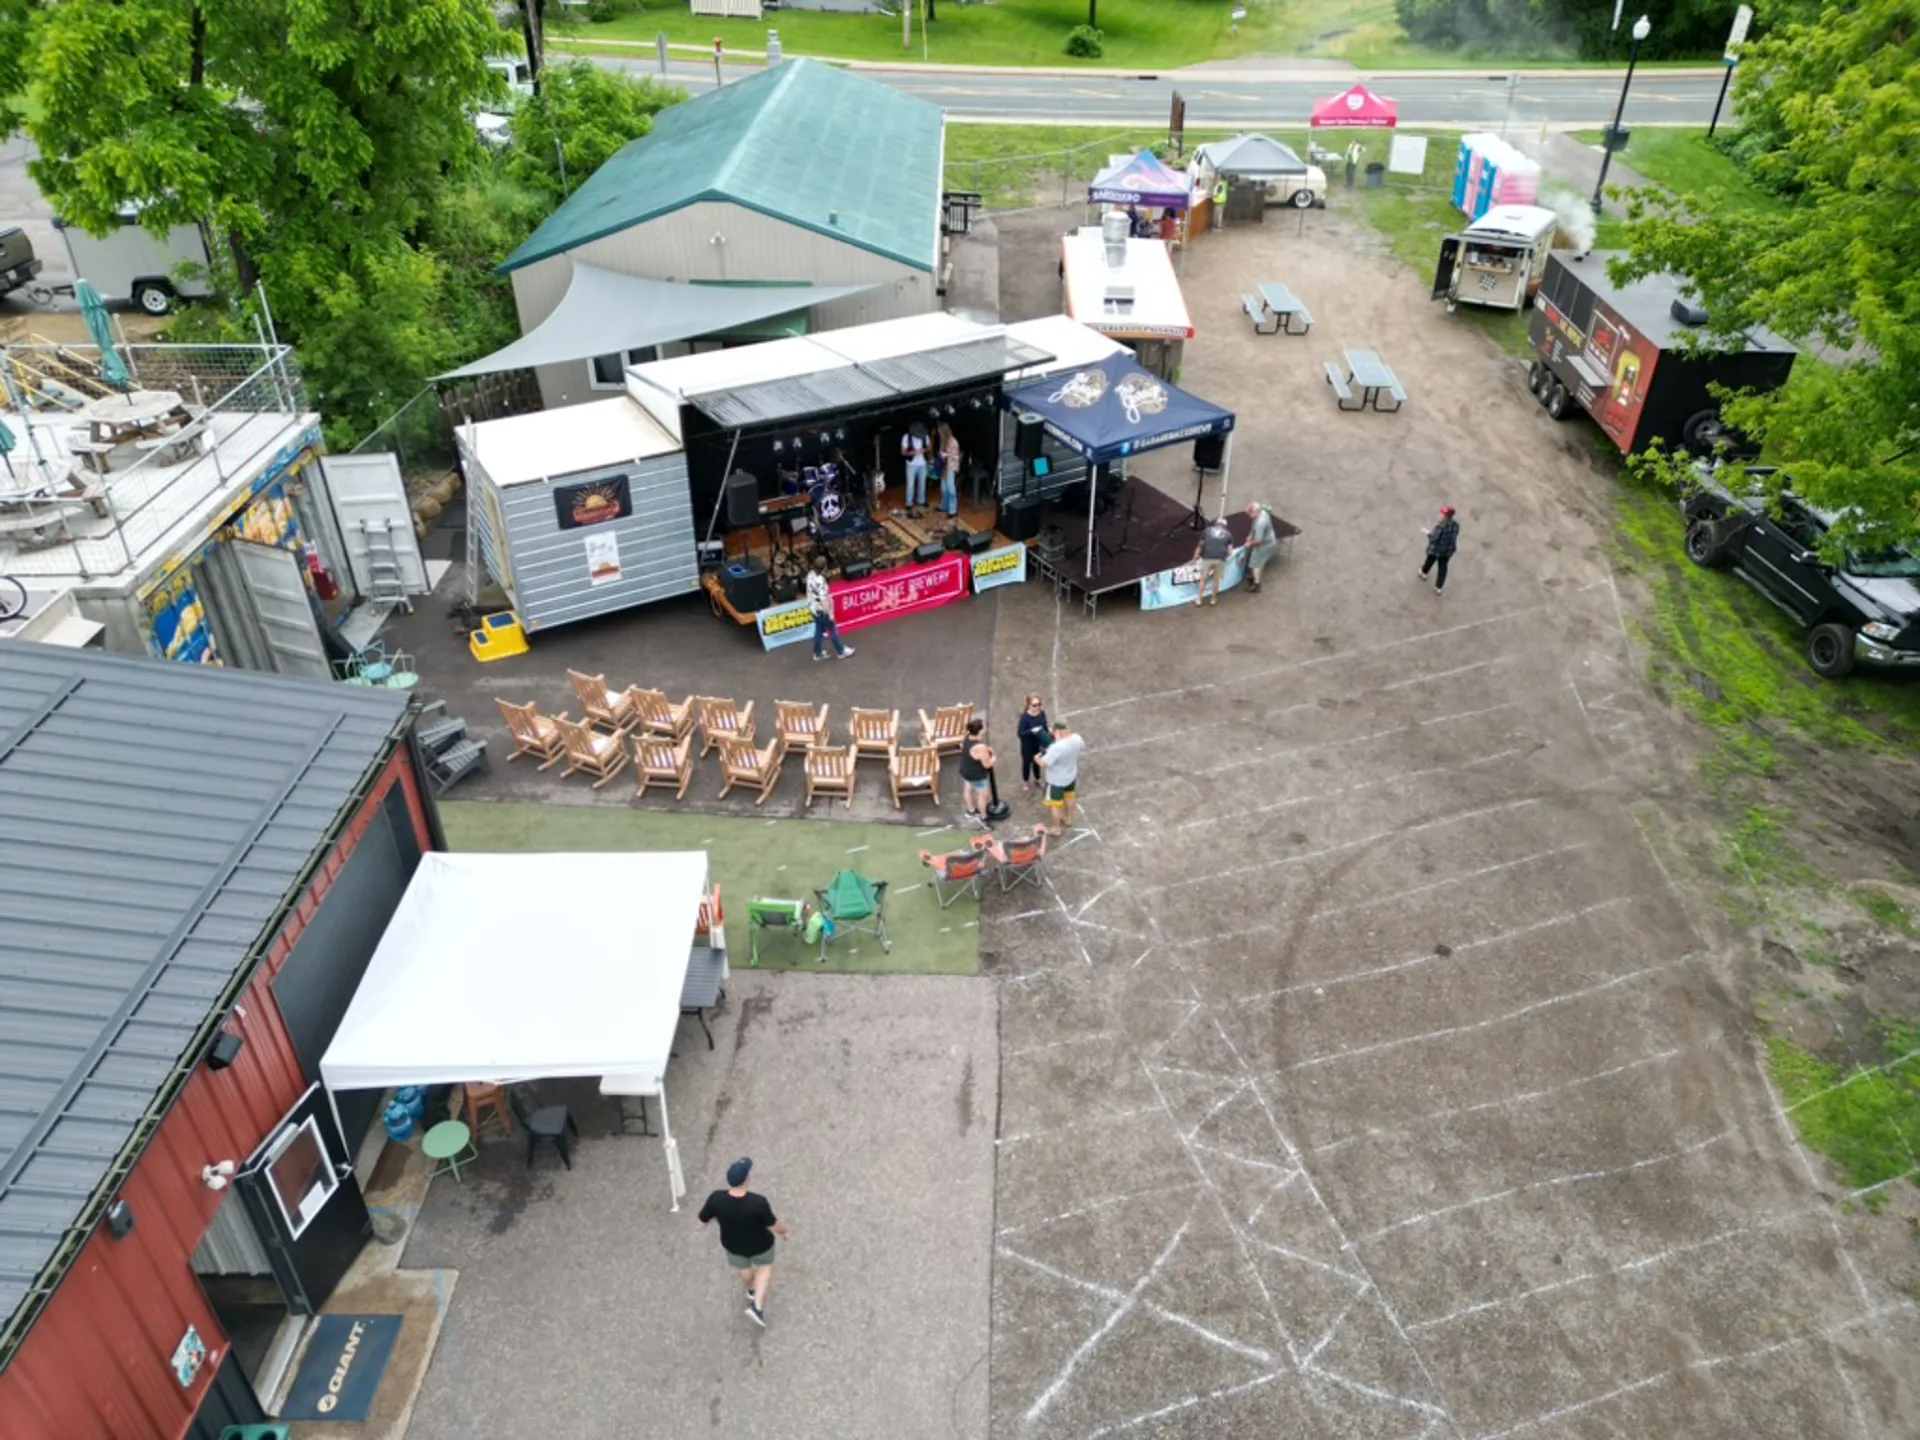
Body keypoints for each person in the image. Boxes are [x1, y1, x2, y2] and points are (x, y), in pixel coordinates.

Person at [698, 1157, 790, 1328]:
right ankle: (757, 1306)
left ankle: (750, 1289)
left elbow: (702, 1222)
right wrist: (784, 1232)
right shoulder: (758, 1203)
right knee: (764, 1268)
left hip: (733, 1245)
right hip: (761, 1244)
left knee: (744, 1268)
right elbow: (773, 1225)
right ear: (747, 1179)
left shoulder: (716, 1198)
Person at [1036, 719, 1084, 836]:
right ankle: (1069, 819)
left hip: (1056, 780)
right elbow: (1081, 746)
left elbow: (1043, 763)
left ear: (1056, 730)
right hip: (1071, 775)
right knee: (1070, 796)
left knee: (1055, 805)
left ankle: (1056, 829)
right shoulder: (1077, 738)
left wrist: (1036, 758)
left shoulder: (1056, 747)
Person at [805, 564, 854, 661]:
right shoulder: (820, 581)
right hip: (823, 611)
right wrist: (830, 614)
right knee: (833, 630)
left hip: (813, 608)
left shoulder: (810, 574)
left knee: (818, 631)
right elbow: (824, 600)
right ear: (823, 568)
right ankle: (841, 651)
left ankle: (817, 653)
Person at [957, 716, 994, 827]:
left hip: (965, 769)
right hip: (977, 775)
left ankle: (970, 811)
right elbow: (987, 764)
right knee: (983, 797)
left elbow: (963, 747)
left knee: (967, 790)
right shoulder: (980, 747)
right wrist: (993, 758)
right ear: (980, 730)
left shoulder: (967, 737)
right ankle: (984, 818)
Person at [1193, 516, 1234, 606]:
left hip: (1207, 558)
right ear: (1224, 526)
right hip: (1220, 559)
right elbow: (1230, 551)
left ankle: (1199, 599)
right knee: (1216, 580)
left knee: (1203, 579)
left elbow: (1200, 545)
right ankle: (1213, 599)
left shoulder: (1207, 531)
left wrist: (1195, 557)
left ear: (1215, 524)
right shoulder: (1228, 535)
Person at [1015, 693, 1051, 792]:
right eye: (1034, 705)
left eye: (1039, 704)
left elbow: (1044, 725)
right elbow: (1020, 733)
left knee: (1037, 762)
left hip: (1038, 743)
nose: (1037, 707)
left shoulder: (1042, 713)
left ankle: (1037, 778)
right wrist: (1032, 731)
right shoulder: (1025, 718)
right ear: (1029, 705)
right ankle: (1026, 781)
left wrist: (1048, 730)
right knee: (1026, 764)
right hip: (1027, 745)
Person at [1421, 505, 1461, 594]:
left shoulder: (1441, 526)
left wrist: (1427, 532)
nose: (1441, 515)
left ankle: (1423, 573)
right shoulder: (1456, 525)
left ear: (1446, 516)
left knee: (1429, 561)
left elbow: (1433, 538)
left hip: (1437, 550)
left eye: (1442, 514)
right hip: (1448, 551)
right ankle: (1439, 587)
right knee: (1443, 568)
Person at [1241, 502, 1278, 595]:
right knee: (1254, 560)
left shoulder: (1260, 524)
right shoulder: (1263, 512)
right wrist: (1250, 534)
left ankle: (1256, 584)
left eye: (1250, 514)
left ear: (1256, 512)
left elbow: (1258, 540)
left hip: (1264, 545)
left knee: (1256, 563)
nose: (1249, 516)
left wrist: (1249, 543)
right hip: (1269, 540)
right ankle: (1252, 576)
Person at [902, 423, 931, 516]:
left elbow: (929, 446)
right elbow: (903, 452)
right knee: (910, 484)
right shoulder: (906, 437)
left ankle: (921, 501)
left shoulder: (925, 436)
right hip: (911, 464)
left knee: (922, 483)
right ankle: (909, 503)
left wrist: (924, 450)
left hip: (922, 463)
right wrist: (913, 453)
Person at [936, 420, 962, 519]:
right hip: (944, 467)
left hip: (950, 468)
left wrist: (947, 455)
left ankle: (952, 510)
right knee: (944, 489)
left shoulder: (953, 442)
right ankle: (944, 507)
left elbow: (956, 457)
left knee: (951, 490)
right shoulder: (943, 441)